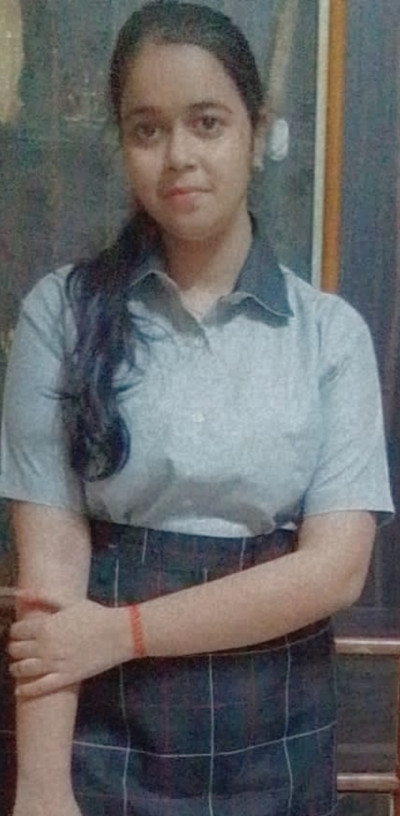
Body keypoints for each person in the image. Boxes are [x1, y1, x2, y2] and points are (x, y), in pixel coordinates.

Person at [0, 2, 393, 815]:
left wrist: (121, 632)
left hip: (276, 741)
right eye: (147, 129)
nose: (178, 155)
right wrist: (41, 787)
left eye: (207, 123)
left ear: (257, 131)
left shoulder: (329, 335)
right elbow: (52, 578)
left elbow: (335, 570)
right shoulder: (62, 314)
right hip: (104, 739)